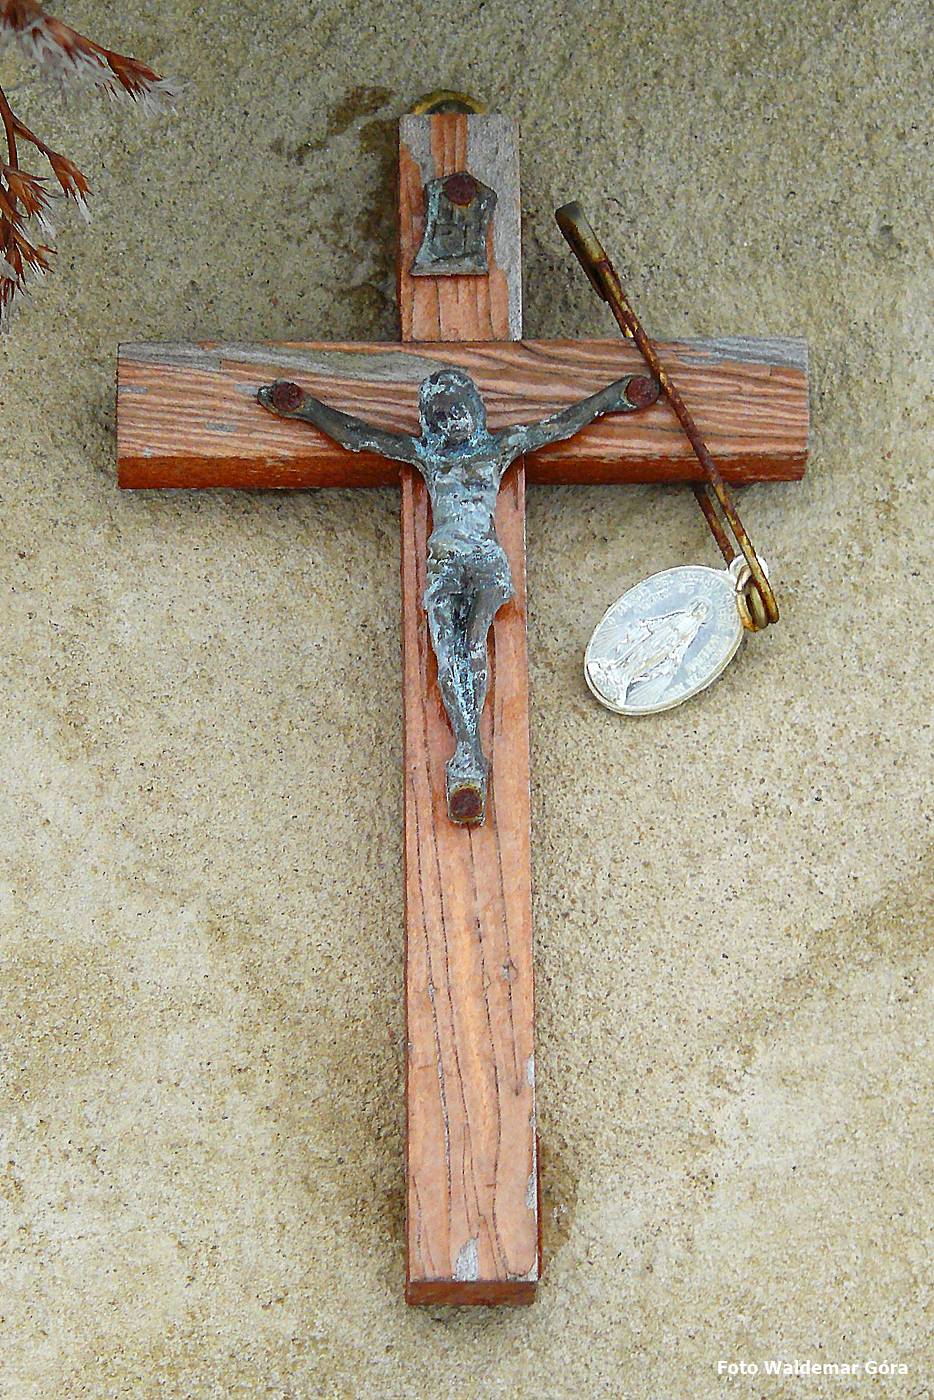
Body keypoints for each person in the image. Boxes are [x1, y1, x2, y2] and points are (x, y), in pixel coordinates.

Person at [258, 366, 655, 823]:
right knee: (448, 656)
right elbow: (358, 435)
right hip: (445, 565)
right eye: (442, 414)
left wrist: (616, 397)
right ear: (430, 421)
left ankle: (469, 755)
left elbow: (562, 425)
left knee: (473, 645)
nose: (454, 421)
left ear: (477, 409)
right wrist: (307, 408)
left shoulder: (498, 448)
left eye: (461, 409)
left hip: (484, 563)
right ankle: (468, 754)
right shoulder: (428, 454)